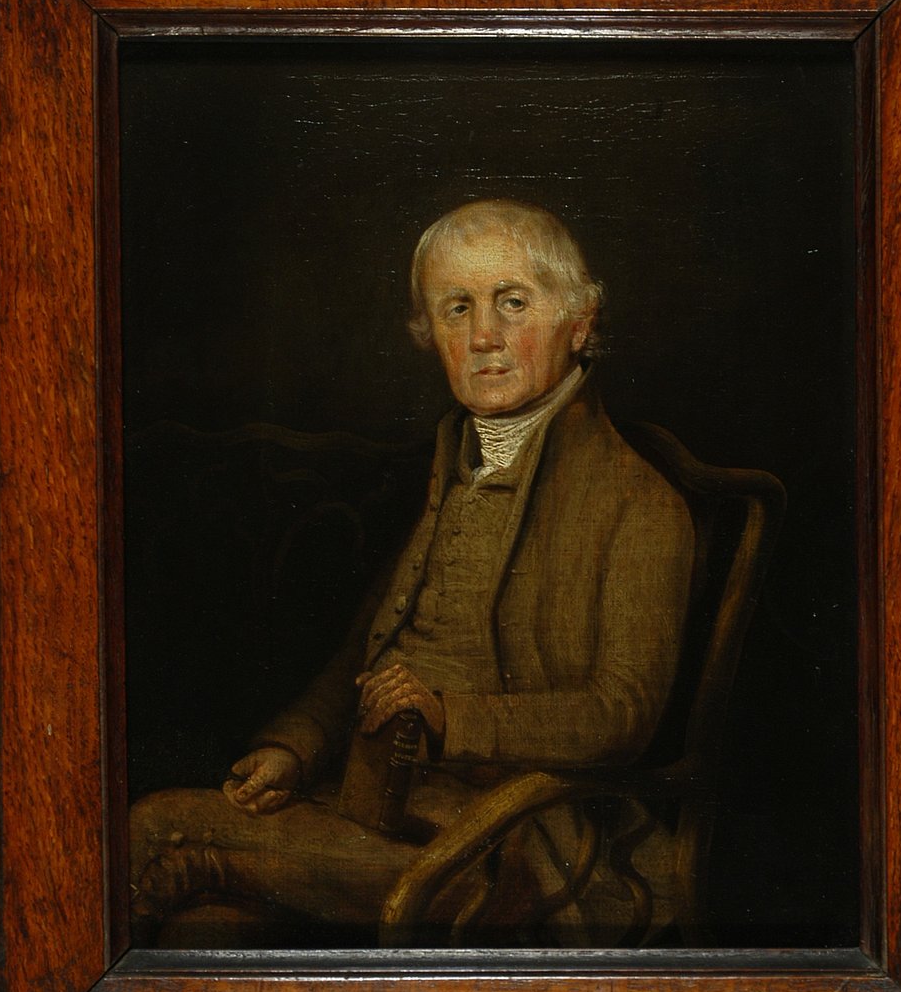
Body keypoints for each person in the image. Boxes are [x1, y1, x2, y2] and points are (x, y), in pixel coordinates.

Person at [129, 199, 695, 946]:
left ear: (579, 323)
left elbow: (620, 716)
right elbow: (362, 655)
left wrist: (448, 718)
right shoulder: (454, 473)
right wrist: (293, 748)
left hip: (522, 845)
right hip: (374, 805)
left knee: (159, 832)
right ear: (430, 335)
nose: (484, 336)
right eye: (457, 309)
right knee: (204, 929)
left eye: (512, 302)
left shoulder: (639, 504)